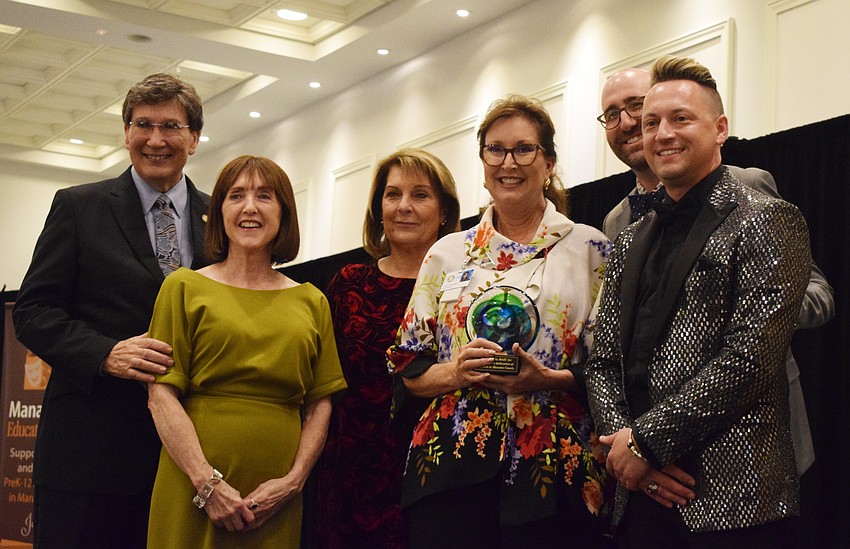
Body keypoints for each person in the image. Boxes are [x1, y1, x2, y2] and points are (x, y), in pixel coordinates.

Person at [586, 56, 811, 547]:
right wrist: (626, 451)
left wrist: (644, 442)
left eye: (680, 118)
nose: (662, 133)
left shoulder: (768, 217)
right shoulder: (626, 238)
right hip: (642, 492)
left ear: (720, 128)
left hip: (734, 495)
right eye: (652, 123)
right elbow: (603, 361)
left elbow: (749, 360)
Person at [387, 95, 612, 548]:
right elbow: (404, 365)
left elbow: (609, 365)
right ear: (483, 161)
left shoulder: (590, 249)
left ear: (548, 161)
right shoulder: (446, 252)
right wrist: (455, 371)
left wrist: (550, 377)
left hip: (556, 465)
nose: (509, 162)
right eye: (496, 149)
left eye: (524, 149)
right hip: (451, 466)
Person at [12, 73, 210, 548]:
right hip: (89, 456)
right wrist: (105, 354)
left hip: (193, 458)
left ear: (194, 138)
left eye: (171, 126)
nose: (156, 139)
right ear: (126, 133)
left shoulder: (220, 217)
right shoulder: (79, 207)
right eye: (143, 124)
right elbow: (33, 310)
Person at [145, 155, 347, 548]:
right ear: (218, 212)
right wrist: (206, 484)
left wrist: (293, 482)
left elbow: (321, 403)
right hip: (191, 486)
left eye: (265, 196)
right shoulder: (183, 287)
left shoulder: (312, 300)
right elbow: (160, 395)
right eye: (236, 195)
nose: (250, 207)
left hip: (275, 498)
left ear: (284, 213)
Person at [313, 149, 461, 548]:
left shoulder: (465, 287)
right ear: (379, 208)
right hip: (350, 474)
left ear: (445, 210)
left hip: (438, 470)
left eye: (420, 195)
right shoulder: (347, 283)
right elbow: (322, 383)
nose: (404, 207)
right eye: (392, 195)